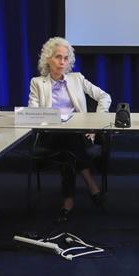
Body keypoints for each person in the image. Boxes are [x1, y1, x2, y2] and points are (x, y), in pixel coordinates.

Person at [28, 37, 111, 222]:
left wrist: (95, 122)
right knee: (68, 141)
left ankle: (68, 201)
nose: (62, 62)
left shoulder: (77, 79)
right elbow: (33, 113)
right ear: (48, 59)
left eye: (66, 58)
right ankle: (91, 184)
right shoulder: (37, 83)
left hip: (77, 135)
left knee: (68, 148)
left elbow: (105, 97)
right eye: (58, 57)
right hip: (49, 136)